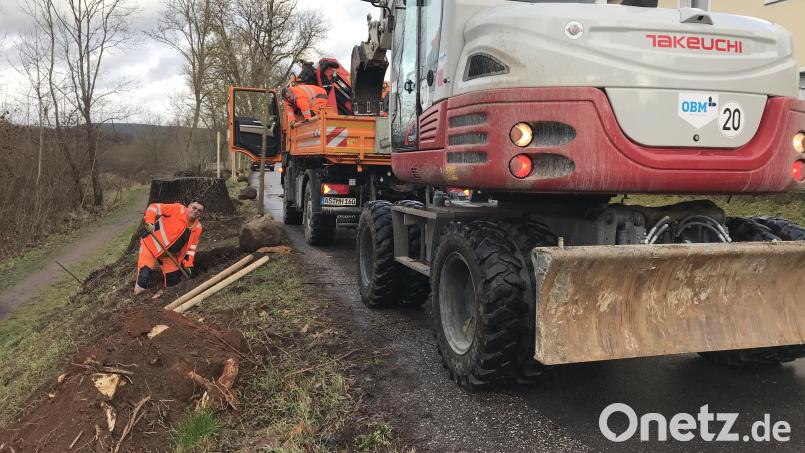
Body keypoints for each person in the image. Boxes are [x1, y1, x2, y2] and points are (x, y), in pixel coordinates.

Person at [134, 200, 204, 294]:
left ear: (201, 214)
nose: (195, 211)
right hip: (151, 245)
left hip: (168, 255)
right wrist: (149, 222)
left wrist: (187, 265)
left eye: (199, 210)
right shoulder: (177, 209)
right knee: (144, 275)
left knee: (173, 282)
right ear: (189, 206)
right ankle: (138, 296)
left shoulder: (198, 228)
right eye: (194, 208)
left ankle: (165, 298)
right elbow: (153, 207)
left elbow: (192, 248)